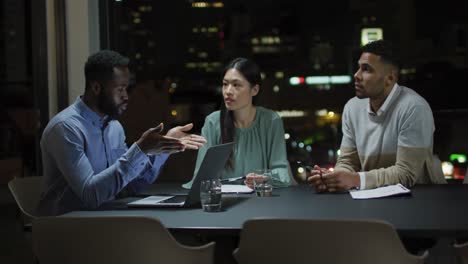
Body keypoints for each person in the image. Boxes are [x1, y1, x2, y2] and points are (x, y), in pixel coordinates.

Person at [37, 50, 206, 216]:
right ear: (96, 87)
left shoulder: (114, 127)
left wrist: (163, 149)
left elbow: (130, 187)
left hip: (104, 219)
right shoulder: (65, 128)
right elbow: (91, 196)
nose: (126, 96)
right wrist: (139, 150)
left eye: (127, 89)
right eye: (120, 89)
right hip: (65, 226)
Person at [308, 39, 446, 193]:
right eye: (358, 67)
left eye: (366, 69)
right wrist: (333, 179)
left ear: (390, 79)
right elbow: (348, 161)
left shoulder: (414, 108)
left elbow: (406, 174)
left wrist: (354, 179)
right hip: (372, 197)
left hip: (420, 197)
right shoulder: (352, 108)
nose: (356, 75)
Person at [183, 57, 291, 189]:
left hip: (261, 201)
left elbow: (282, 173)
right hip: (225, 202)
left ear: (254, 90)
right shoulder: (213, 122)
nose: (228, 91)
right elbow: (202, 177)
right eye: (225, 84)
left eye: (236, 85)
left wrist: (265, 178)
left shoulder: (271, 121)